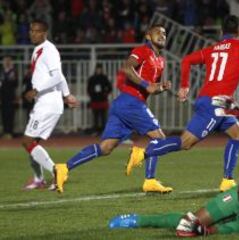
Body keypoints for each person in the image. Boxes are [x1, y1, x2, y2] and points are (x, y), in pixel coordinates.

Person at [127, 15, 239, 192]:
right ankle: (142, 153)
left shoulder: (212, 49)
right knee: (185, 143)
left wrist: (185, 86)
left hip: (219, 101)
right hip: (215, 103)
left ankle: (227, 180)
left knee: (237, 133)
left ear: (221, 33)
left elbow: (187, 60)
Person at [109, 107, 239, 237]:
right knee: (188, 222)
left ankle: (139, 221)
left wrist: (206, 231)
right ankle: (136, 220)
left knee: (193, 227)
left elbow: (234, 229)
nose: (237, 189)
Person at [54, 24, 173, 194]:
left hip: (124, 104)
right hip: (131, 102)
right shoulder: (142, 50)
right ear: (148, 36)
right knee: (160, 139)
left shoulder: (161, 60)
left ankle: (64, 167)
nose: (162, 35)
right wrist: (148, 85)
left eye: (164, 33)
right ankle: (149, 180)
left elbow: (151, 88)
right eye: (158, 32)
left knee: (106, 148)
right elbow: (127, 68)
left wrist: (161, 87)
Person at [22, 19, 78, 190]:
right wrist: (67, 95)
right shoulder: (38, 50)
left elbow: (57, 76)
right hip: (45, 102)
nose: (33, 33)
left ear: (44, 33)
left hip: (47, 103)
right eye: (31, 30)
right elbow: (56, 77)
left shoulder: (49, 50)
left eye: (37, 31)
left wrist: (36, 90)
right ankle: (39, 179)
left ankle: (57, 171)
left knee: (27, 141)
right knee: (32, 143)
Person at [87, 64, 112, 135]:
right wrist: (92, 95)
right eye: (97, 69)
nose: (98, 71)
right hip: (94, 100)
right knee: (95, 117)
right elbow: (88, 89)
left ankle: (104, 131)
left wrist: (105, 93)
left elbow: (110, 88)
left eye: (100, 69)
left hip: (103, 100)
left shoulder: (104, 78)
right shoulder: (92, 78)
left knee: (103, 116)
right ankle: (96, 130)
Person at [0, 55, 18, 139]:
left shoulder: (13, 71)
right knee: (4, 115)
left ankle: (10, 132)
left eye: (8, 60)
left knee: (11, 114)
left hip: (11, 97)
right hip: (3, 96)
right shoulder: (1, 71)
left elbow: (15, 84)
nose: (7, 62)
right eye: (5, 60)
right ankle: (5, 131)